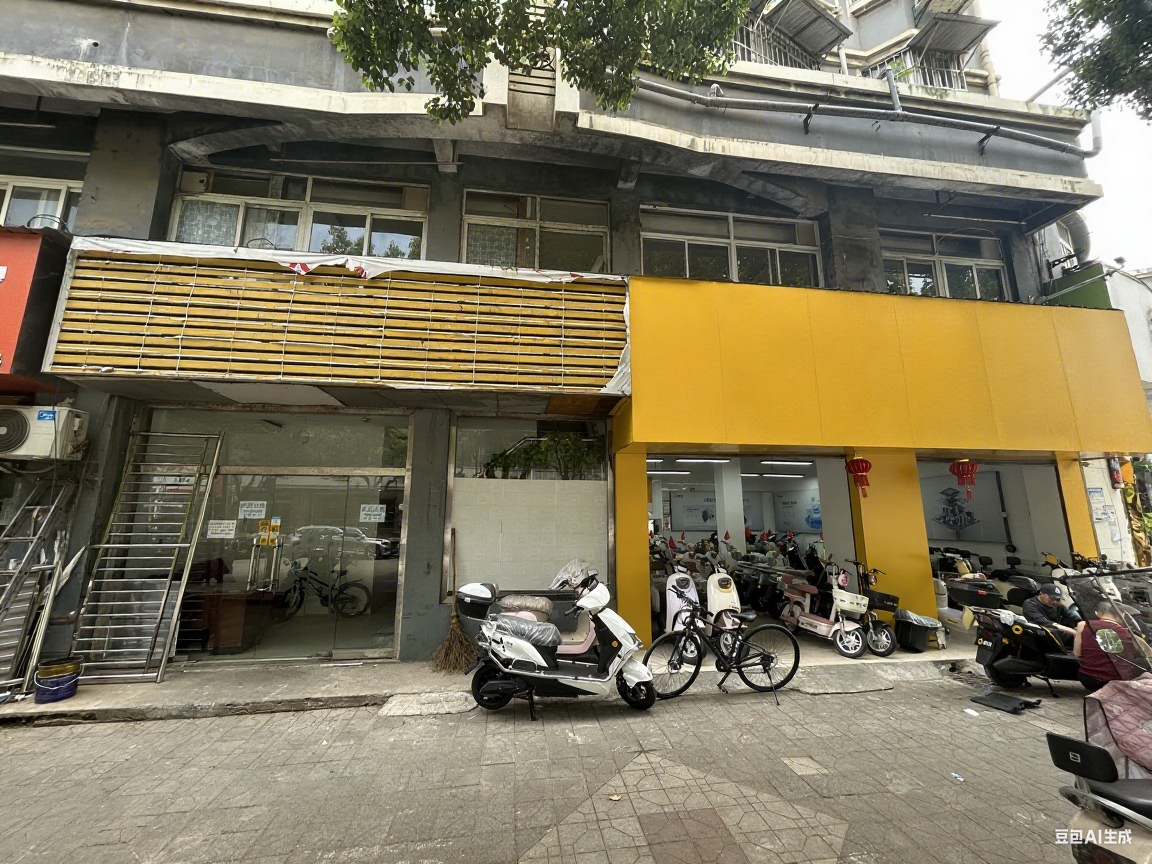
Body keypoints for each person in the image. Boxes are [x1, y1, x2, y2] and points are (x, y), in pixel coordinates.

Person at [1075, 602, 1147, 692]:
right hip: (1115, 680)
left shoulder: (1083, 625)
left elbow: (1077, 653)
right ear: (1122, 614)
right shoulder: (1129, 633)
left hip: (1087, 678)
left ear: (1097, 613)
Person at [1022, 583, 1081, 649]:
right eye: (1051, 598)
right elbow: (1044, 622)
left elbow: (1071, 616)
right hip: (1041, 635)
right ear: (1041, 594)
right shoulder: (1030, 604)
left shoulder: (1057, 605)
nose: (1055, 602)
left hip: (1056, 633)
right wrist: (1073, 632)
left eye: (1057, 599)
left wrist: (1080, 627)